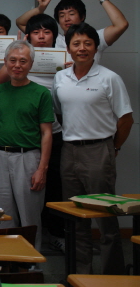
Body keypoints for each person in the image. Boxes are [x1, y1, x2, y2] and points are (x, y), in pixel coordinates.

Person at [52, 23, 133, 274]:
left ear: (96, 48)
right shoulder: (60, 77)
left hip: (99, 150)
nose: (82, 48)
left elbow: (126, 119)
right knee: (75, 218)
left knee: (105, 218)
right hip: (69, 152)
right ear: (68, 49)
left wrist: (114, 147)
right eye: (76, 43)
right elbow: (60, 112)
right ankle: (80, 274)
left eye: (87, 43)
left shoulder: (109, 78)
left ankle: (113, 275)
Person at [0, 40, 53, 251]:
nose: (17, 65)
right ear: (5, 62)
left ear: (31, 64)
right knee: (2, 214)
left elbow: (47, 133)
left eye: (23, 61)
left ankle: (31, 264)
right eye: (13, 60)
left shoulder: (41, 93)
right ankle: (6, 261)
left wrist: (42, 169)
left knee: (30, 216)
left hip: (28, 158)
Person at [15, 0, 129, 64]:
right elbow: (21, 22)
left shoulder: (95, 37)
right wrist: (40, 9)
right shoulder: (52, 37)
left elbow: (121, 24)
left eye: (71, 14)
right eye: (62, 15)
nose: (67, 19)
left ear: (82, 16)